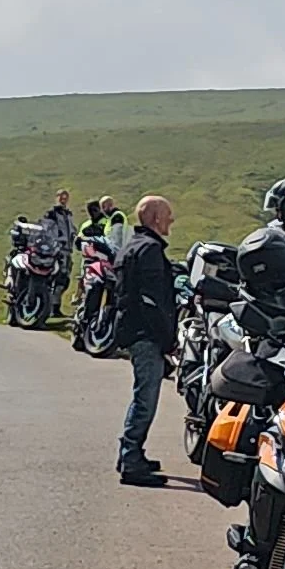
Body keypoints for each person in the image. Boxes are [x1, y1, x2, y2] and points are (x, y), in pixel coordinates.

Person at [114, 195, 177, 486]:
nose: (171, 220)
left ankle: (131, 453)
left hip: (132, 331)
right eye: (168, 215)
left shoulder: (134, 246)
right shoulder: (150, 250)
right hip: (145, 335)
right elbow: (152, 301)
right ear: (154, 218)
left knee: (143, 394)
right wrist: (168, 339)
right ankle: (131, 458)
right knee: (145, 398)